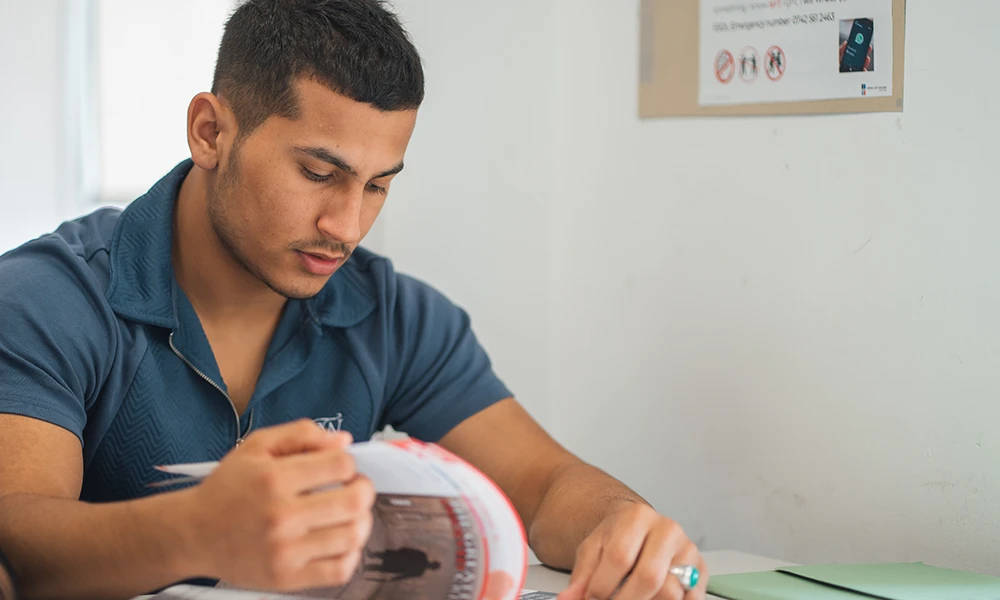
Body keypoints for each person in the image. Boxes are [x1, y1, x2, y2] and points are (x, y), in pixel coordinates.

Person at [0, 1, 708, 599]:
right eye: (318, 172)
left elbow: (546, 484)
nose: (346, 226)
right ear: (211, 132)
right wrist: (198, 531)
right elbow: (16, 534)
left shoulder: (394, 313)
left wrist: (626, 527)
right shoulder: (47, 298)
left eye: (377, 185)